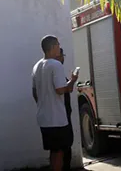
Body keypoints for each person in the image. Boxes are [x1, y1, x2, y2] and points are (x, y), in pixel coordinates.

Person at [32, 35, 78, 171]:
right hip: (56, 119)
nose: (59, 47)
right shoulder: (55, 65)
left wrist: (44, 104)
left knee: (53, 151)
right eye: (58, 44)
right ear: (52, 47)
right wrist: (73, 81)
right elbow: (60, 90)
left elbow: (34, 92)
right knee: (59, 153)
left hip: (44, 117)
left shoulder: (37, 66)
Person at [57, 48, 73, 171]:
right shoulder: (56, 70)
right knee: (65, 146)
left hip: (61, 114)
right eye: (63, 55)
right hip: (62, 116)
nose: (63, 58)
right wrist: (73, 80)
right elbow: (64, 89)